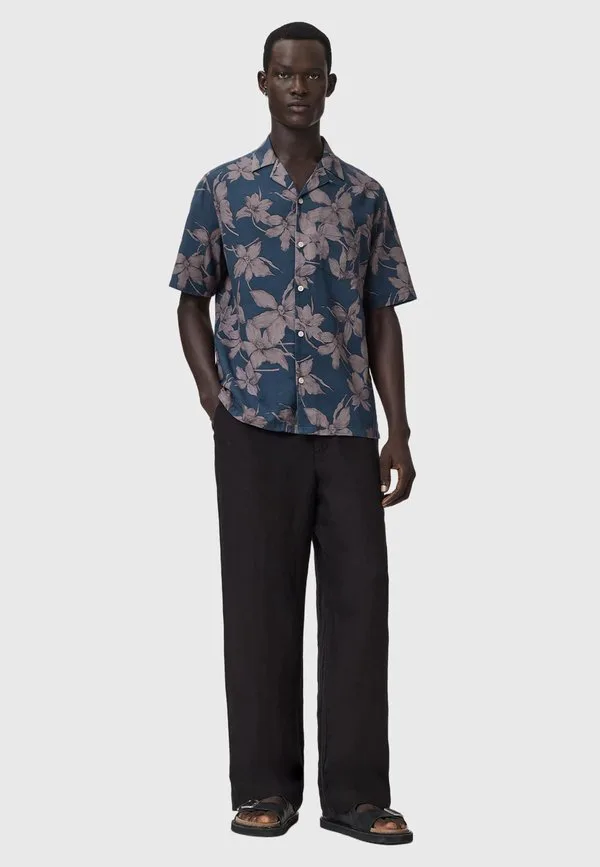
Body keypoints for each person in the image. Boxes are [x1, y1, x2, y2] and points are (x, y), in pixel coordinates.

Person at [168, 21, 417, 846]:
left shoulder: (365, 196)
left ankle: (357, 796)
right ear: (263, 82)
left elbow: (382, 315)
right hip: (252, 429)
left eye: (312, 75)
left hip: (346, 426)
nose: (298, 87)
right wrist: (215, 396)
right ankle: (264, 788)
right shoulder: (223, 189)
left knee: (360, 606)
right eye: (284, 74)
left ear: (331, 85)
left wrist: (399, 429)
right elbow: (191, 298)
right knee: (258, 608)